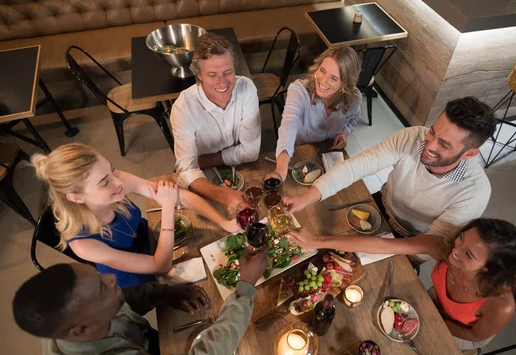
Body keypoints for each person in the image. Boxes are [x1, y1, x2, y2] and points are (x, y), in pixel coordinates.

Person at [12, 245, 269, 355]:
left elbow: (124, 300)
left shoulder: (79, 317)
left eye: (98, 275)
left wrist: (162, 292)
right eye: (102, 288)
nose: (112, 278)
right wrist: (245, 286)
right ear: (80, 330)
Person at [285, 97, 496, 265]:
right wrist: (307, 197)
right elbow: (356, 166)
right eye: (432, 132)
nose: (429, 145)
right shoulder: (413, 137)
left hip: (411, 241)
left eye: (444, 144)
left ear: (469, 153)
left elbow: (429, 247)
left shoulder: (474, 191)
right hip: (380, 206)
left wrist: (403, 261)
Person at [288, 218, 516, 350]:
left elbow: (472, 334)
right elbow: (382, 246)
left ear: (489, 269)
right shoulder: (444, 248)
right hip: (432, 303)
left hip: (461, 332)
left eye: (469, 256)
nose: (454, 253)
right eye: (461, 240)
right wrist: (319, 241)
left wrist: (423, 320)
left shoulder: (501, 305)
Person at [32, 143, 238, 288]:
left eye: (112, 171)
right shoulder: (83, 244)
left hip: (154, 242)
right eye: (104, 182)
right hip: (138, 281)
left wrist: (224, 223)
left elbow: (180, 196)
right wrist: (167, 207)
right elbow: (160, 266)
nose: (118, 181)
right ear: (77, 198)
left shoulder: (114, 182)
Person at [171, 32, 261, 214]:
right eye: (212, 75)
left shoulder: (247, 88)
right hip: (203, 177)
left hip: (232, 167)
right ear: (199, 75)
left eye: (228, 73)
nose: (222, 83)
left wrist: (204, 160)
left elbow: (251, 152)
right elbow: (186, 171)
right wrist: (226, 195)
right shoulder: (183, 107)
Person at [274, 46, 362, 179]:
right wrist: (280, 169)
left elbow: (354, 117)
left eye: (333, 78)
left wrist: (345, 133)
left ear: (345, 83)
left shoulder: (354, 97)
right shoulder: (299, 91)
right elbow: (288, 125)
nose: (323, 81)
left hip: (329, 156)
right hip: (299, 154)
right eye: (322, 70)